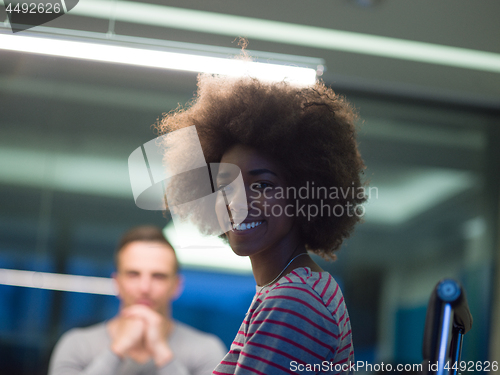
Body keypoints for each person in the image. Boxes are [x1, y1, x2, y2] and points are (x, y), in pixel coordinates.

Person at [157, 72, 366, 374]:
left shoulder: (294, 301)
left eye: (263, 185)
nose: (236, 203)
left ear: (303, 194)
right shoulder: (294, 288)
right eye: (225, 185)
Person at [49, 225, 227, 375]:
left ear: (176, 286)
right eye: (133, 274)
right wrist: (116, 350)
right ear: (117, 283)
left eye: (158, 276)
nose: (144, 288)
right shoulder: (77, 345)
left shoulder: (206, 350)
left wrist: (162, 353)